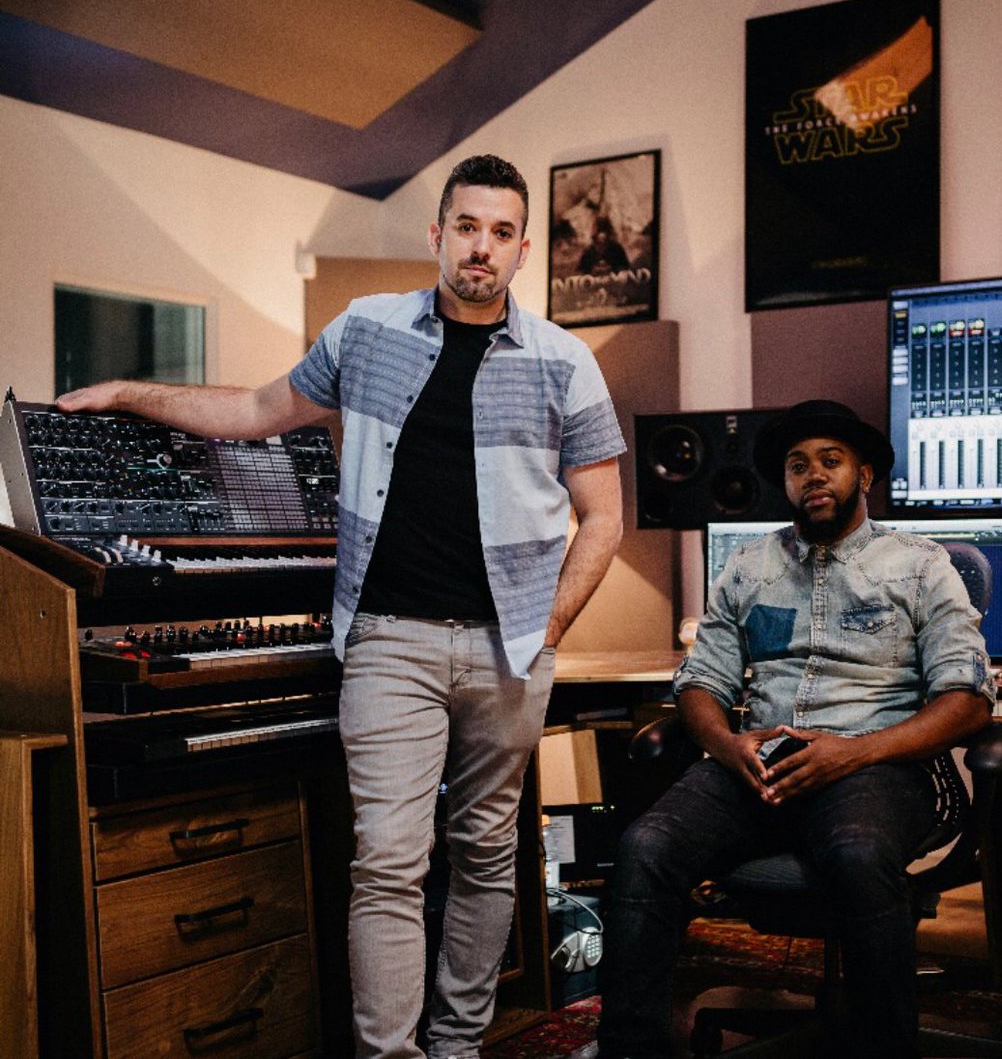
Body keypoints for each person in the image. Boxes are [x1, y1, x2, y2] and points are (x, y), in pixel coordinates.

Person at [57, 154, 627, 1059]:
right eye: (467, 227)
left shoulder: (566, 363)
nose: (482, 247)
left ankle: (457, 1046)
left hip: (510, 650)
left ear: (524, 250)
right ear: (438, 235)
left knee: (486, 856)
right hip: (390, 640)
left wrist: (548, 627)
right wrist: (130, 391)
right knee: (389, 861)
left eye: (502, 232)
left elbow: (604, 516)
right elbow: (257, 407)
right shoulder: (366, 329)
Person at [595, 399, 993, 1059]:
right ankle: (631, 1050)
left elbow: (968, 700)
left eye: (830, 461)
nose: (814, 476)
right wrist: (728, 745)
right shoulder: (749, 566)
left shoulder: (921, 565)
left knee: (858, 854)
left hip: (877, 766)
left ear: (864, 474)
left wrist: (851, 753)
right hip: (758, 764)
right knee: (646, 845)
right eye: (797, 465)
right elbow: (700, 683)